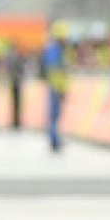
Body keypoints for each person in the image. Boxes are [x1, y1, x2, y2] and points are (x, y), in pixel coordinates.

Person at [41, 21, 70, 153]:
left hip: (56, 87)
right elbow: (54, 72)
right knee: (53, 115)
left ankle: (55, 138)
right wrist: (60, 89)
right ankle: (53, 140)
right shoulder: (54, 50)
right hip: (55, 88)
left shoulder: (57, 50)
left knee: (56, 115)